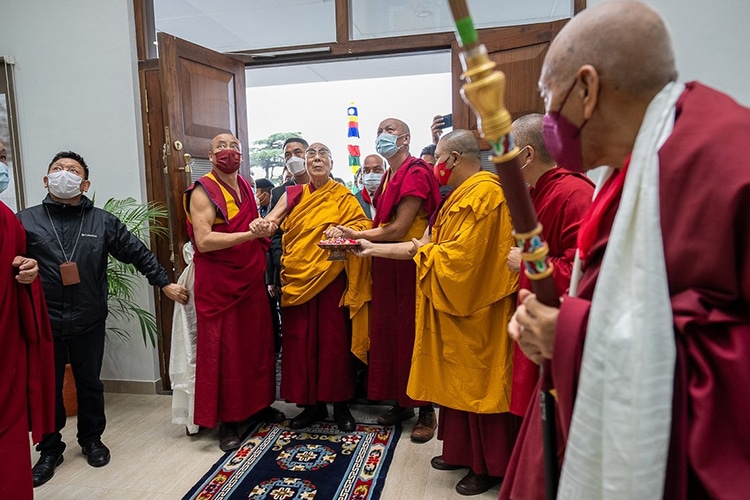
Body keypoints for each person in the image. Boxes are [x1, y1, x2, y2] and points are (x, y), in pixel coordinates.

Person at [502, 2, 750, 499]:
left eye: (550, 97)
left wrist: (571, 334)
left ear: (587, 88)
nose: (549, 119)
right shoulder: (629, 169)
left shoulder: (724, 162)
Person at [357, 130, 521, 495]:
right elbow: (425, 245)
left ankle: (489, 466)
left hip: (478, 306)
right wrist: (370, 248)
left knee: (481, 386)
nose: (435, 167)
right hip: (456, 303)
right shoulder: (458, 196)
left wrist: (410, 250)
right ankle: (463, 452)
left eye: (440, 160)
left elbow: (463, 261)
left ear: (454, 159)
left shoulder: (488, 194)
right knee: (456, 383)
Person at [17, 151, 188, 486]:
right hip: (44, 322)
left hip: (88, 318)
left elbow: (137, 252)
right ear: (45, 179)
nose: (64, 174)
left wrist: (164, 282)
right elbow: (10, 260)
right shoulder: (25, 220)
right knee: (47, 388)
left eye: (72, 170)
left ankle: (91, 440)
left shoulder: (102, 221)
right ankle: (50, 449)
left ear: (85, 183)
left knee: (90, 384)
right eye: (57, 169)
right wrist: (19, 269)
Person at [336, 118, 441, 443]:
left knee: (413, 332)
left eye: (389, 131)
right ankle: (401, 403)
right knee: (389, 335)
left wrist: (357, 234)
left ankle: (425, 409)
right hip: (384, 262)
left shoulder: (416, 171)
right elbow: (382, 220)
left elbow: (398, 227)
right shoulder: (388, 177)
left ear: (406, 138)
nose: (382, 136)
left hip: (408, 259)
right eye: (379, 131)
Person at [259, 142, 370, 432]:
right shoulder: (293, 194)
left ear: (332, 163)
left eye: (323, 155)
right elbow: (274, 221)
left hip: (332, 277)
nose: (317, 159)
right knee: (300, 342)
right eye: (312, 155)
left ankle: (341, 405)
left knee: (334, 342)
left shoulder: (342, 195)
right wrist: (262, 225)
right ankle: (311, 405)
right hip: (297, 276)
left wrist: (343, 229)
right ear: (304, 164)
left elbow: (360, 225)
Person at [185, 133, 285, 452]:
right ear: (211, 155)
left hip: (250, 277)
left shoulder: (244, 184)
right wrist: (248, 235)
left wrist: (262, 228)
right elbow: (204, 241)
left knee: (256, 344)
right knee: (225, 351)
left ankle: (259, 405)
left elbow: (251, 224)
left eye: (234, 147)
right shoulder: (202, 191)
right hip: (220, 283)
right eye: (221, 147)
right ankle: (227, 422)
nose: (229, 152)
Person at [505, 113, 595, 417]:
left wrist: (528, 262)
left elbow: (583, 272)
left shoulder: (573, 193)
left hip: (557, 324)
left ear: (527, 154)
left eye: (509, 152)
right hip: (535, 316)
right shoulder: (538, 192)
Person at [0, 140, 55, 500]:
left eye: (2, 158)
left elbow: (18, 259)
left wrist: (28, 270)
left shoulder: (5, 216)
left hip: (6, 345)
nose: (1, 166)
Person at [266, 137, 310, 308]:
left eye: (298, 152)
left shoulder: (331, 189)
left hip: (324, 267)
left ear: (308, 155)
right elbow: (274, 234)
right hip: (289, 270)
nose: (293, 158)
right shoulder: (279, 192)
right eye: (287, 155)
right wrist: (284, 261)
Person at [354, 154, 385, 219]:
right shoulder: (354, 201)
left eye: (377, 170)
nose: (371, 174)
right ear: (362, 175)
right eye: (366, 171)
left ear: (385, 172)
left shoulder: (395, 196)